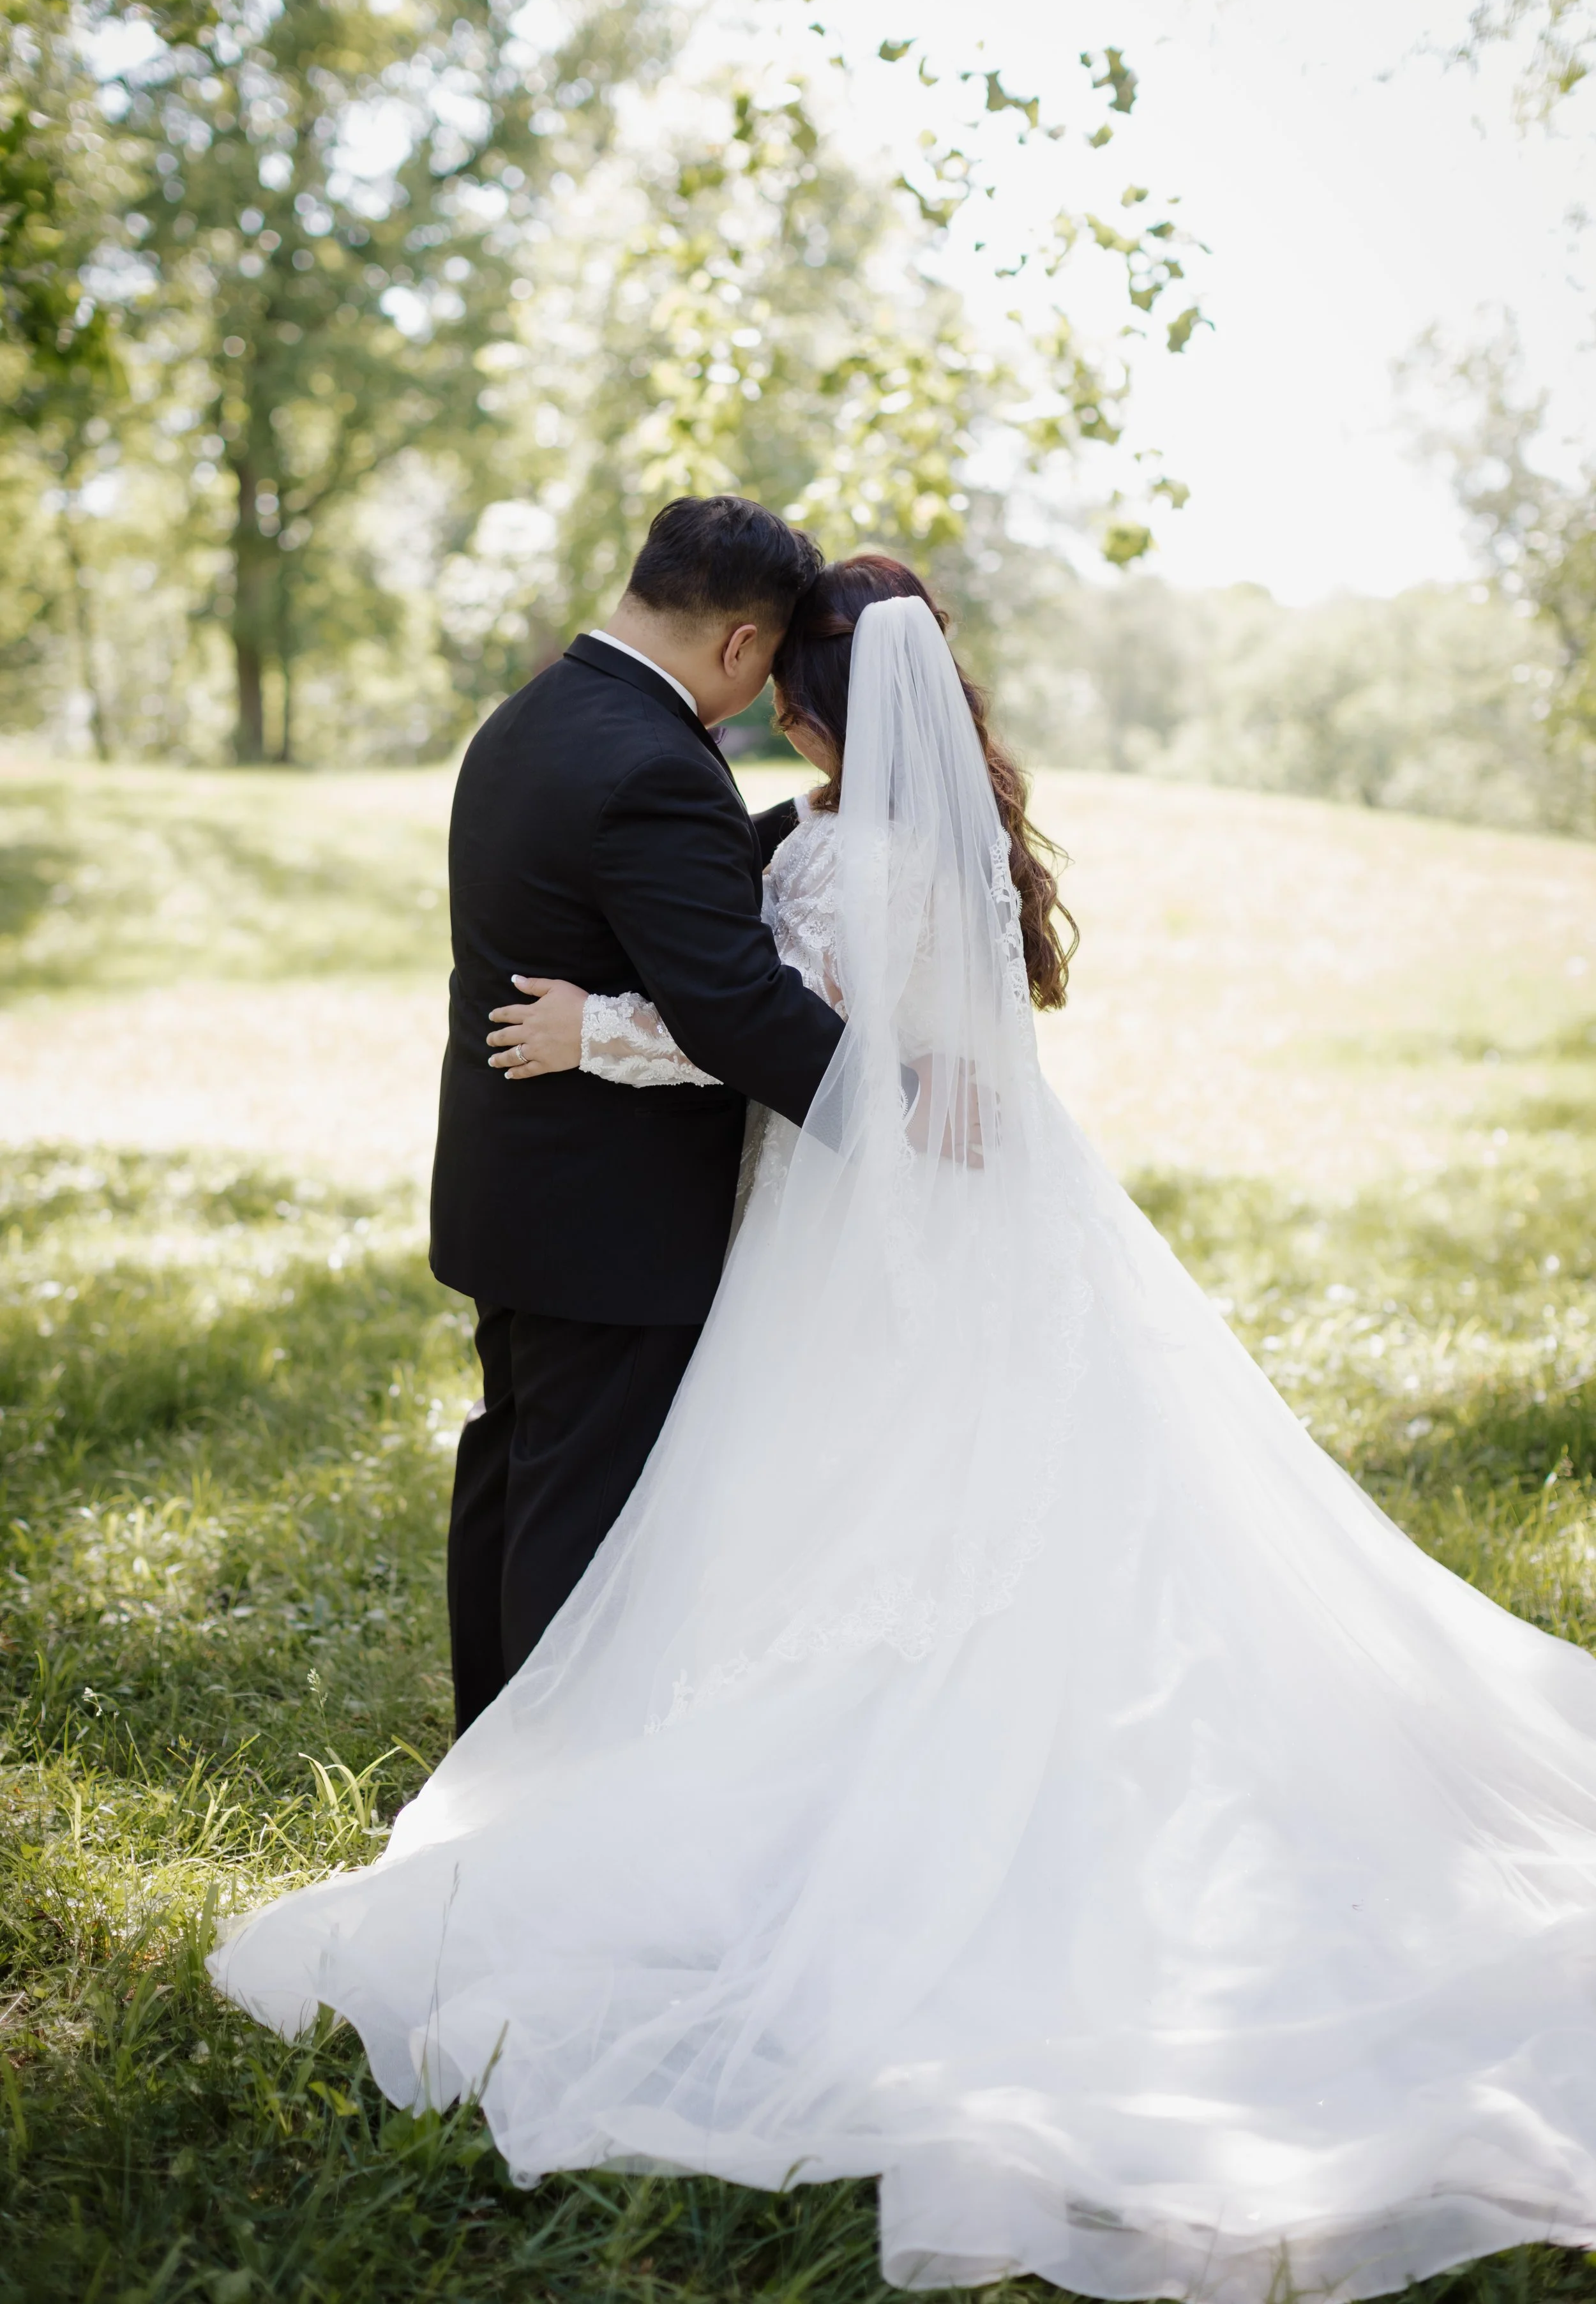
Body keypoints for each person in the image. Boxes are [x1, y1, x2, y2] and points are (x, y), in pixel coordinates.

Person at [215, 561, 1596, 2303]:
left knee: (828, 1513)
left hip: (846, 1239)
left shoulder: (819, 852)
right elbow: (898, 1051)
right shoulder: (951, 849)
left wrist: (592, 1027)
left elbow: (759, 1025)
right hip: (983, 1228)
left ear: (794, 696)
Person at [428, 495, 843, 1736]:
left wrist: (798, 826)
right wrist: (899, 1104)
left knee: (511, 1471)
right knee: (580, 1515)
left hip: (514, 1189)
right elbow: (731, 1003)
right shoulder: (658, 766)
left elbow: (637, 885)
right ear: (739, 645)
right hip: (612, 1219)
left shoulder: (533, 715)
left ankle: (483, 1748)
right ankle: (535, 1792)